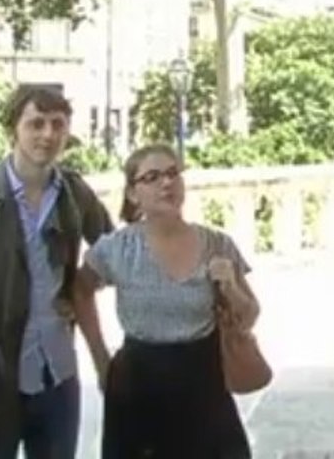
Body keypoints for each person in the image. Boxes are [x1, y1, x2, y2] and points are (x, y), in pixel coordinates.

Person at [0, 85, 113, 458]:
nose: (48, 135)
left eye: (57, 124)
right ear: (13, 130)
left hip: (57, 369)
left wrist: (81, 284)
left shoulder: (74, 192)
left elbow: (113, 249)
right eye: (36, 123)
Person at [72, 144, 258, 459]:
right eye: (153, 177)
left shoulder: (217, 244)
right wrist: (101, 361)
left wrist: (230, 286)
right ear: (133, 194)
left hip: (204, 384)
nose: (167, 183)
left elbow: (250, 314)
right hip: (139, 386)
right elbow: (79, 290)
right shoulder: (118, 248)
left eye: (173, 173)